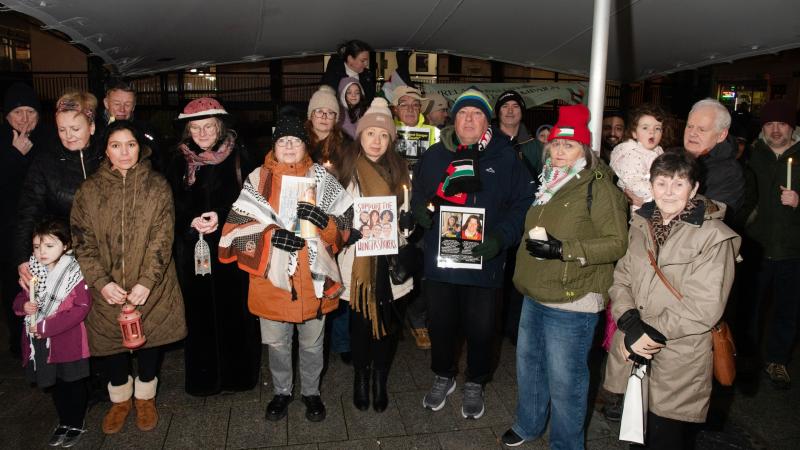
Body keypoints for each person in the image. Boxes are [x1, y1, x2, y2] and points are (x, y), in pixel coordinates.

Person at [501, 104, 628, 448]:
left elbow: (617, 243)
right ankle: (529, 424)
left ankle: (567, 444)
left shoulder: (598, 187)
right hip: (534, 292)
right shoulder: (548, 181)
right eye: (556, 144)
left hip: (574, 299)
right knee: (529, 367)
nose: (559, 151)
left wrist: (564, 250)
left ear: (584, 149)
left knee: (566, 381)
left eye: (568, 145)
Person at [218, 113, 353, 423]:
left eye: (295, 141)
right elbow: (237, 226)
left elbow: (345, 221)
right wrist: (271, 237)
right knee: (277, 344)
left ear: (305, 146)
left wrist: (326, 224)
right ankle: (281, 392)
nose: (289, 146)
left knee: (312, 343)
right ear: (274, 145)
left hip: (314, 278)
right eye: (283, 141)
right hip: (272, 280)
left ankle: (311, 393)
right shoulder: (257, 179)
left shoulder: (322, 178)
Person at [603, 152, 739, 449]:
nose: (668, 192)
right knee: (636, 434)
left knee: (666, 437)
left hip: (679, 354)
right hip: (636, 348)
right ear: (650, 186)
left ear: (694, 188)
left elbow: (705, 306)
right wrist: (629, 322)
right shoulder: (640, 225)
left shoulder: (714, 236)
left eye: (678, 184)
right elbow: (621, 277)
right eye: (661, 183)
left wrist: (645, 335)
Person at [412, 87, 534, 419]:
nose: (469, 119)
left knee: (482, 329)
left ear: (487, 120)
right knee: (440, 325)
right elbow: (419, 192)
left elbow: (525, 204)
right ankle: (443, 374)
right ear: (454, 118)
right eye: (464, 113)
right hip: (440, 262)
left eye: (477, 113)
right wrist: (420, 213)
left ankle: (476, 381)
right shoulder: (436, 154)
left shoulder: (505, 157)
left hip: (485, 262)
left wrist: (501, 236)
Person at [70, 120, 186, 434]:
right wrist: (101, 282)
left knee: (151, 338)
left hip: (151, 282)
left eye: (131, 144)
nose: (124, 152)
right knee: (111, 343)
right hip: (106, 284)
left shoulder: (157, 185)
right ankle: (120, 398)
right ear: (105, 150)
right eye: (116, 145)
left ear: (140, 147)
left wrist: (147, 282)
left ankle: (145, 396)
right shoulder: (88, 190)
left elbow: (163, 238)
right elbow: (82, 240)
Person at [163, 97, 261, 396]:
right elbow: (167, 205)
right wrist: (189, 222)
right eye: (196, 128)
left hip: (232, 248)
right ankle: (204, 379)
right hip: (193, 250)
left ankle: (239, 376)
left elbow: (255, 202)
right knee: (199, 314)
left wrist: (223, 215)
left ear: (220, 127)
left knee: (236, 310)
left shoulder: (240, 156)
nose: (203, 134)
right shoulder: (177, 161)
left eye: (208, 126)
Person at [332, 97, 414, 412]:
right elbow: (333, 215)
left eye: (383, 136)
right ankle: (360, 377)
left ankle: (380, 378)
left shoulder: (400, 170)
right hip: (358, 264)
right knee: (360, 326)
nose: (376, 141)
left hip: (390, 264)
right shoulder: (346, 169)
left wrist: (408, 225)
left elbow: (408, 217)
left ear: (390, 139)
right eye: (370, 134)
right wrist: (345, 230)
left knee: (388, 328)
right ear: (360, 136)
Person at [737, 100, 800, 389]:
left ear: (792, 127)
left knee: (788, 307)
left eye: (782, 124)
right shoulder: (751, 155)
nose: (776, 130)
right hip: (757, 245)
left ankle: (777, 359)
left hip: (792, 248)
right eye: (770, 124)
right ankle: (747, 358)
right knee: (750, 306)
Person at [14, 90, 104, 294]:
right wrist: (22, 257)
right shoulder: (46, 162)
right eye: (62, 129)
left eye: (75, 128)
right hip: (64, 258)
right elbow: (28, 210)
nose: (68, 136)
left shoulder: (107, 157)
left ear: (91, 127)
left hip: (108, 255)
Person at [13, 219, 91, 447]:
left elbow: (81, 308)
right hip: (41, 343)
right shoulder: (33, 272)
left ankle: (76, 422)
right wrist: (22, 307)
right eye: (37, 246)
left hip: (68, 341)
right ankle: (64, 421)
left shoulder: (74, 273)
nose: (41, 252)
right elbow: (20, 298)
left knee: (72, 383)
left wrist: (47, 327)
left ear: (65, 245)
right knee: (54, 382)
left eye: (49, 245)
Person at [1, 82, 52, 357]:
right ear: (7, 115)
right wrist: (13, 155)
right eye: (17, 112)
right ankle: (19, 344)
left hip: (44, 232)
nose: (24, 118)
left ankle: (47, 337)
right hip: (9, 233)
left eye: (30, 111)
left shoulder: (47, 138)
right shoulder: (3, 141)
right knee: (15, 289)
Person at [677, 98, 744, 217]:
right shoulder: (674, 158)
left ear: (721, 135)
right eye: (689, 126)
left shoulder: (730, 173)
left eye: (702, 129)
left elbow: (710, 216)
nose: (692, 133)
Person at [610, 104, 667, 212]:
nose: (652, 132)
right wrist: (662, 195)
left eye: (657, 128)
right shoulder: (630, 154)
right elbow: (634, 184)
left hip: (656, 206)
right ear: (634, 133)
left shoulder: (659, 152)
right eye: (645, 128)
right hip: (637, 210)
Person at [97, 81, 161, 170]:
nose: (122, 109)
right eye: (117, 104)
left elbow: (158, 162)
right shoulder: (93, 130)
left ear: (134, 106)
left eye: (127, 104)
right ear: (106, 103)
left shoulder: (146, 131)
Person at [494, 90, 543, 179]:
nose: (510, 111)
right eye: (505, 106)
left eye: (515, 106)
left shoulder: (536, 147)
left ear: (522, 112)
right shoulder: (485, 144)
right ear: (498, 112)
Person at [392, 86, 440, 155]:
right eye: (404, 105)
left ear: (420, 109)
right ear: (396, 109)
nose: (410, 109)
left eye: (415, 104)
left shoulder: (436, 132)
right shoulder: (386, 132)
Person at [306, 86, 345, 163]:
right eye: (319, 111)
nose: (324, 117)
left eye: (330, 113)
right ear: (311, 115)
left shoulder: (344, 146)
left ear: (335, 119)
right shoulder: (299, 140)